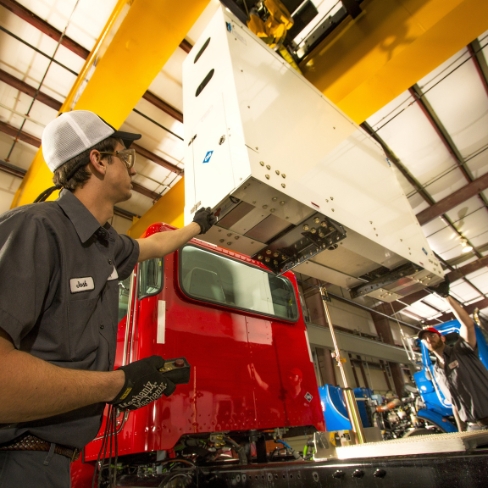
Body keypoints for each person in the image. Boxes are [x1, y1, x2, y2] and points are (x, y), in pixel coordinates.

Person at [0, 110, 216, 487]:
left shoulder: (104, 246)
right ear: (98, 161)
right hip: (16, 459)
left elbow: (154, 245)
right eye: (124, 156)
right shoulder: (36, 229)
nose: (132, 168)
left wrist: (199, 224)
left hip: (52, 463)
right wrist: (119, 384)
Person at [418, 281, 488, 432]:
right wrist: (461, 432)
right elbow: (454, 403)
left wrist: (446, 297)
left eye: (432, 335)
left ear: (442, 338)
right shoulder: (437, 370)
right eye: (425, 339)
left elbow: (468, 325)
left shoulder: (462, 350)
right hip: (473, 428)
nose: (429, 339)